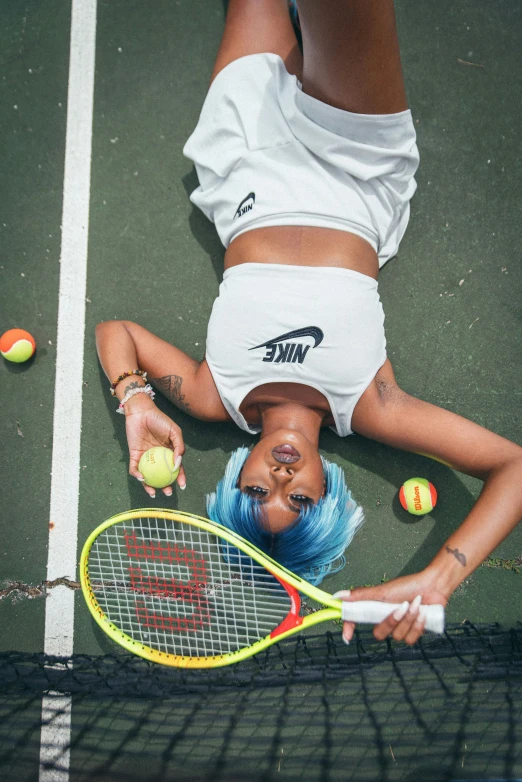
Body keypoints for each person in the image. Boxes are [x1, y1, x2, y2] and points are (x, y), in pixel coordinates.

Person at [95, 0, 522, 646]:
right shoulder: (372, 405)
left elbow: (115, 332)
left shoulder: (216, 396)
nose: (283, 479)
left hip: (247, 161)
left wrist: (135, 399)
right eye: (299, 501)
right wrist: (439, 577)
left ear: (239, 476)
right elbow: (512, 469)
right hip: (350, 164)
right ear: (327, 493)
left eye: (259, 490)